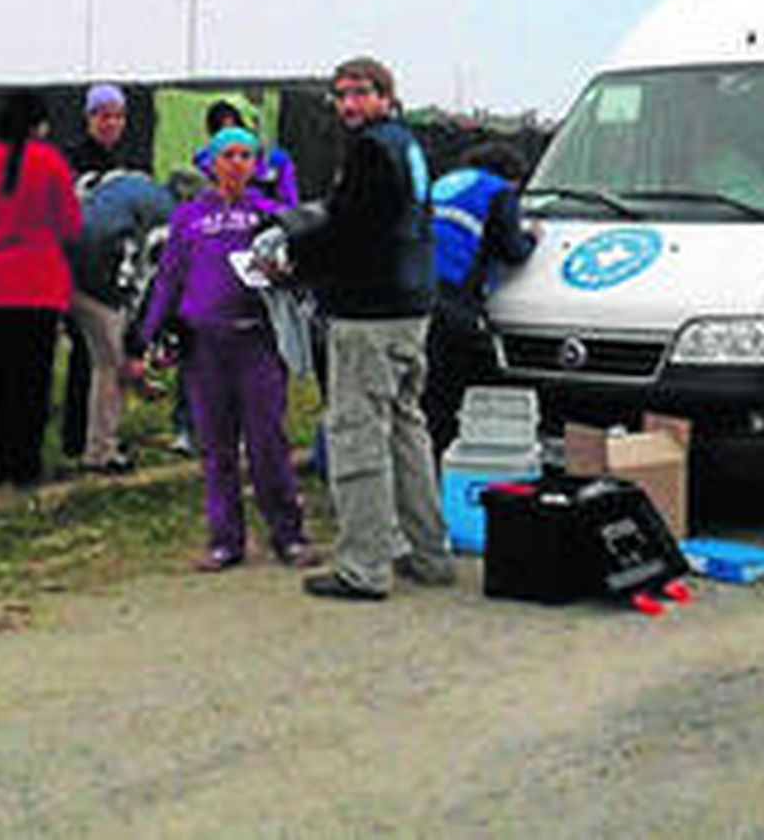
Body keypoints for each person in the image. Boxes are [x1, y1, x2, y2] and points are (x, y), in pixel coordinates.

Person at [283, 56, 454, 601]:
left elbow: (353, 229)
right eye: (341, 94)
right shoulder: (408, 144)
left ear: (385, 95)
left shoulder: (370, 151)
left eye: (361, 93)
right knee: (407, 429)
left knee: (358, 435)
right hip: (411, 306)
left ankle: (364, 566)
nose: (349, 104)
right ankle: (430, 554)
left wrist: (295, 259)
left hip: (370, 312)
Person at [128, 126, 320, 572]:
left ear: (257, 165)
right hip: (204, 344)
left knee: (267, 441)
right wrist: (146, 335)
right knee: (216, 446)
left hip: (257, 339)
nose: (237, 164)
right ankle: (225, 539)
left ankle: (288, 534)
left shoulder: (270, 214)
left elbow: (298, 275)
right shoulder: (188, 217)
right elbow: (170, 278)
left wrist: (287, 272)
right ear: (210, 163)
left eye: (246, 156)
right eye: (228, 155)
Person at [0, 91, 82, 486]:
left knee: (1, 372)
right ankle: (26, 463)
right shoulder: (52, 163)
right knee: (35, 375)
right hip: (41, 282)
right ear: (39, 125)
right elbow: (70, 226)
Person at [424, 142, 538, 459]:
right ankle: (456, 459)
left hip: (414, 290)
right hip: (452, 298)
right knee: (471, 377)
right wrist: (533, 238)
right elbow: (512, 249)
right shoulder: (499, 191)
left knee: (424, 389)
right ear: (513, 177)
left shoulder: (443, 184)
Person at [68, 165, 176, 473]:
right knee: (111, 368)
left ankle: (78, 439)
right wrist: (136, 352)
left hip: (59, 260)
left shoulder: (122, 180)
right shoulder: (168, 218)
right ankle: (101, 452)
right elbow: (146, 283)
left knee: (98, 356)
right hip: (99, 275)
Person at [59, 83, 132, 459]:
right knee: (93, 355)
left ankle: (91, 435)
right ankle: (85, 439)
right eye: (103, 115)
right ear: (89, 118)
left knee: (98, 356)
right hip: (76, 270)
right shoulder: (71, 159)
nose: (111, 123)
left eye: (118, 116)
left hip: (108, 271)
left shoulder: (122, 160)